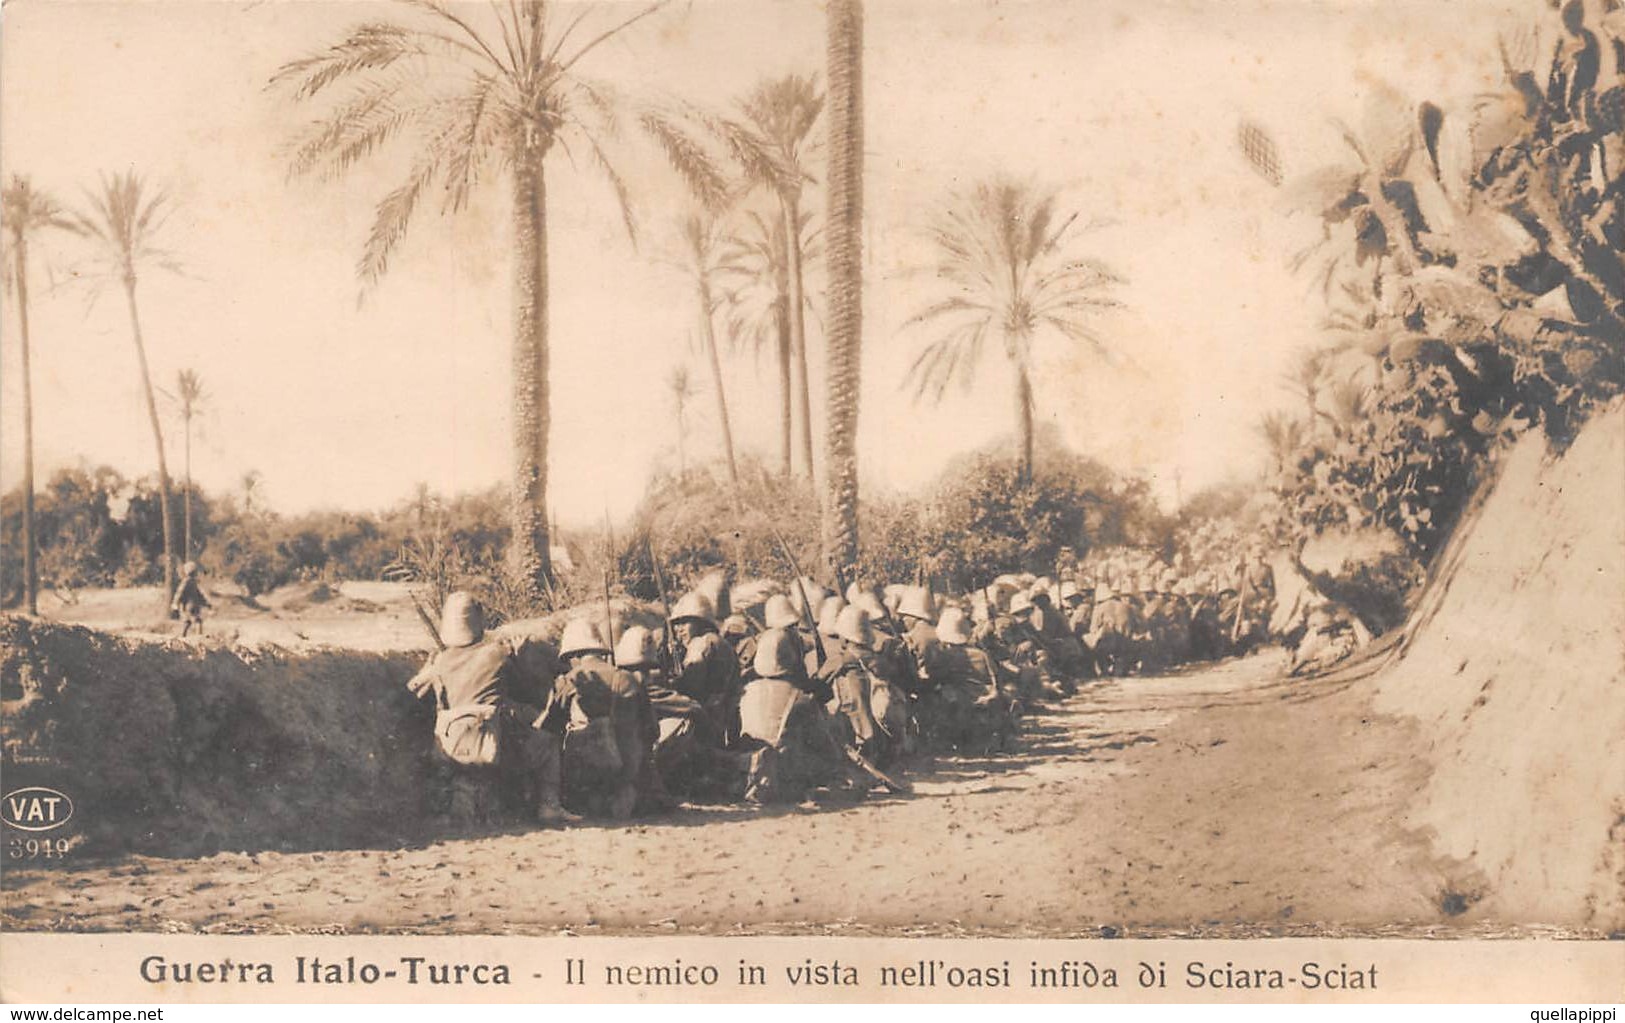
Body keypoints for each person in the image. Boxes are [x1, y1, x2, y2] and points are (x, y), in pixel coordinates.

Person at [405, 591, 574, 824]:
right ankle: (549, 806)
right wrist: (521, 658)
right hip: (492, 745)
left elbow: (417, 692)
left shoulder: (440, 661)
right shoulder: (497, 653)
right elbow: (528, 693)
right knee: (546, 744)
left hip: (451, 748)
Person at [556, 618, 653, 819]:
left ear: (574, 654)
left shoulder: (568, 681)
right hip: (627, 775)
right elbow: (651, 730)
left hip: (585, 779)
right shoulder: (627, 678)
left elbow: (550, 727)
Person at [171, 562, 212, 638]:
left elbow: (179, 592)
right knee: (197, 621)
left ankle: (183, 636)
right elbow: (199, 595)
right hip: (194, 605)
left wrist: (175, 603)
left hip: (187, 606)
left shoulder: (185, 581)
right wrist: (206, 603)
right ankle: (198, 636)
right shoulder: (193, 582)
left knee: (188, 621)